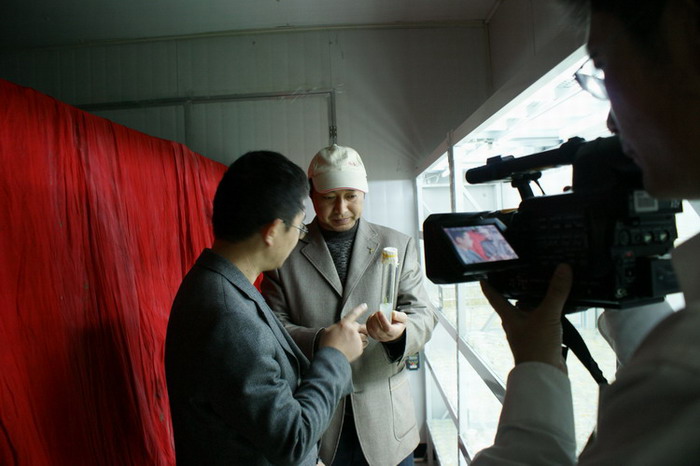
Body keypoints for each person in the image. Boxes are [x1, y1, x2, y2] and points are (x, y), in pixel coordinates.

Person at [471, 0, 700, 464]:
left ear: (684, 37)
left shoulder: (680, 375)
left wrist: (537, 363)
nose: (612, 121)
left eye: (605, 66)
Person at [165, 151, 369, 466]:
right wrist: (335, 356)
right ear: (273, 231)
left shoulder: (219, 282)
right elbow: (292, 440)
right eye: (299, 228)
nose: (299, 238)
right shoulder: (228, 315)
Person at [261, 144, 438, 466]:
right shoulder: (285, 251)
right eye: (329, 197)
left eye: (351, 196)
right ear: (312, 196)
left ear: (364, 193)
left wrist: (399, 335)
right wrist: (323, 341)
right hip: (318, 416)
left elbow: (423, 313)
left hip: (387, 422)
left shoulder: (397, 244)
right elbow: (272, 325)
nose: (341, 208)